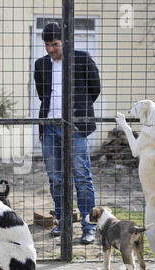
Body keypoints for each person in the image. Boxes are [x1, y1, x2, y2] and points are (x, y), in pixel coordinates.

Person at [33, 22, 101, 244]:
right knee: (55, 178)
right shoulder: (41, 65)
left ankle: (89, 226)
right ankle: (63, 222)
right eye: (47, 45)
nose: (51, 49)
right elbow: (43, 93)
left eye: (55, 44)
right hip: (50, 127)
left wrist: (78, 110)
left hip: (76, 127)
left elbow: (94, 89)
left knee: (82, 177)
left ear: (65, 42)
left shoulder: (81, 59)